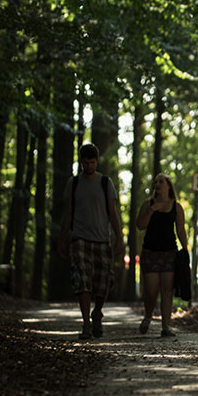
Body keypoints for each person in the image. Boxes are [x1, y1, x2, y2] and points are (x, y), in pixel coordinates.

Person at [59, 143, 124, 340]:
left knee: (103, 284)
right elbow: (68, 213)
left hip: (102, 240)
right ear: (81, 162)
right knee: (82, 281)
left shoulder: (106, 183)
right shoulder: (74, 183)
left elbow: (113, 213)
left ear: (97, 162)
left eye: (92, 162)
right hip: (80, 239)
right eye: (85, 163)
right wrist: (61, 239)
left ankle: (97, 313)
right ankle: (86, 323)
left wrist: (119, 238)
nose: (88, 166)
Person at [136, 174, 189, 338]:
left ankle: (166, 326)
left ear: (168, 186)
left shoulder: (176, 207)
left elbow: (180, 230)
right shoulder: (148, 204)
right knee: (151, 290)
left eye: (161, 182)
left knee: (167, 290)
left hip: (169, 252)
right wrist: (152, 210)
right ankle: (148, 316)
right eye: (156, 182)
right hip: (150, 252)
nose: (157, 184)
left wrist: (185, 250)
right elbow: (140, 225)